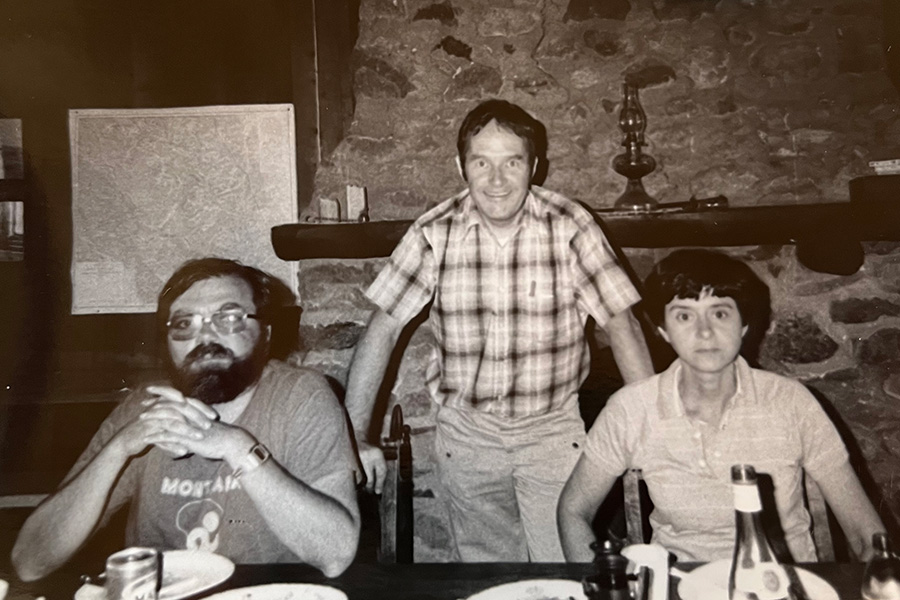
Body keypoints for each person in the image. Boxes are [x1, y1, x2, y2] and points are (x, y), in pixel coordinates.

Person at [345, 99, 654, 561]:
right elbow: (383, 328)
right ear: (460, 166)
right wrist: (353, 433)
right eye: (481, 162)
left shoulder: (570, 225)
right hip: (467, 439)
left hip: (552, 432)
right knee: (490, 577)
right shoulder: (434, 231)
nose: (496, 180)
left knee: (566, 571)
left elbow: (621, 323)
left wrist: (651, 429)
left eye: (512, 162)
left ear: (534, 165)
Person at [12, 258, 359, 580]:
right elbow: (29, 562)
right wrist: (119, 448)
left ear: (266, 333)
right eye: (183, 324)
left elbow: (335, 554)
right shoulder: (143, 409)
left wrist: (235, 445)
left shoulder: (301, 397)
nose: (205, 337)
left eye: (229, 318)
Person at [558, 249, 886, 563]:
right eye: (684, 316)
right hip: (681, 587)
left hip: (781, 585)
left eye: (720, 313)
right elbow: (573, 509)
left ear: (743, 325)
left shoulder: (791, 403)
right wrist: (598, 585)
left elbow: (865, 532)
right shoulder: (632, 409)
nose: (704, 332)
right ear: (663, 331)